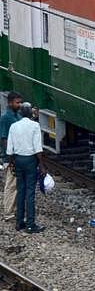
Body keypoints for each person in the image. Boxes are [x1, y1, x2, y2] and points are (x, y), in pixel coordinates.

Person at [6, 102, 43, 233]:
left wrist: (12, 163)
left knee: (20, 191)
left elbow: (9, 149)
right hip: (30, 160)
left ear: (21, 113)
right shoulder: (35, 126)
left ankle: (19, 222)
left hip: (18, 160)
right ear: (31, 113)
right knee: (30, 192)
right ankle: (31, 224)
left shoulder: (14, 126)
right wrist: (42, 165)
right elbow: (38, 148)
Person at [0, 92, 23, 221]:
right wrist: (9, 157)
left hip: (17, 156)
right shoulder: (5, 118)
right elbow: (3, 139)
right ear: (10, 103)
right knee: (11, 185)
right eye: (17, 102)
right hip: (10, 158)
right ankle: (8, 211)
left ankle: (13, 209)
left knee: (16, 185)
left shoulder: (18, 116)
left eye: (20, 102)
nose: (19, 105)